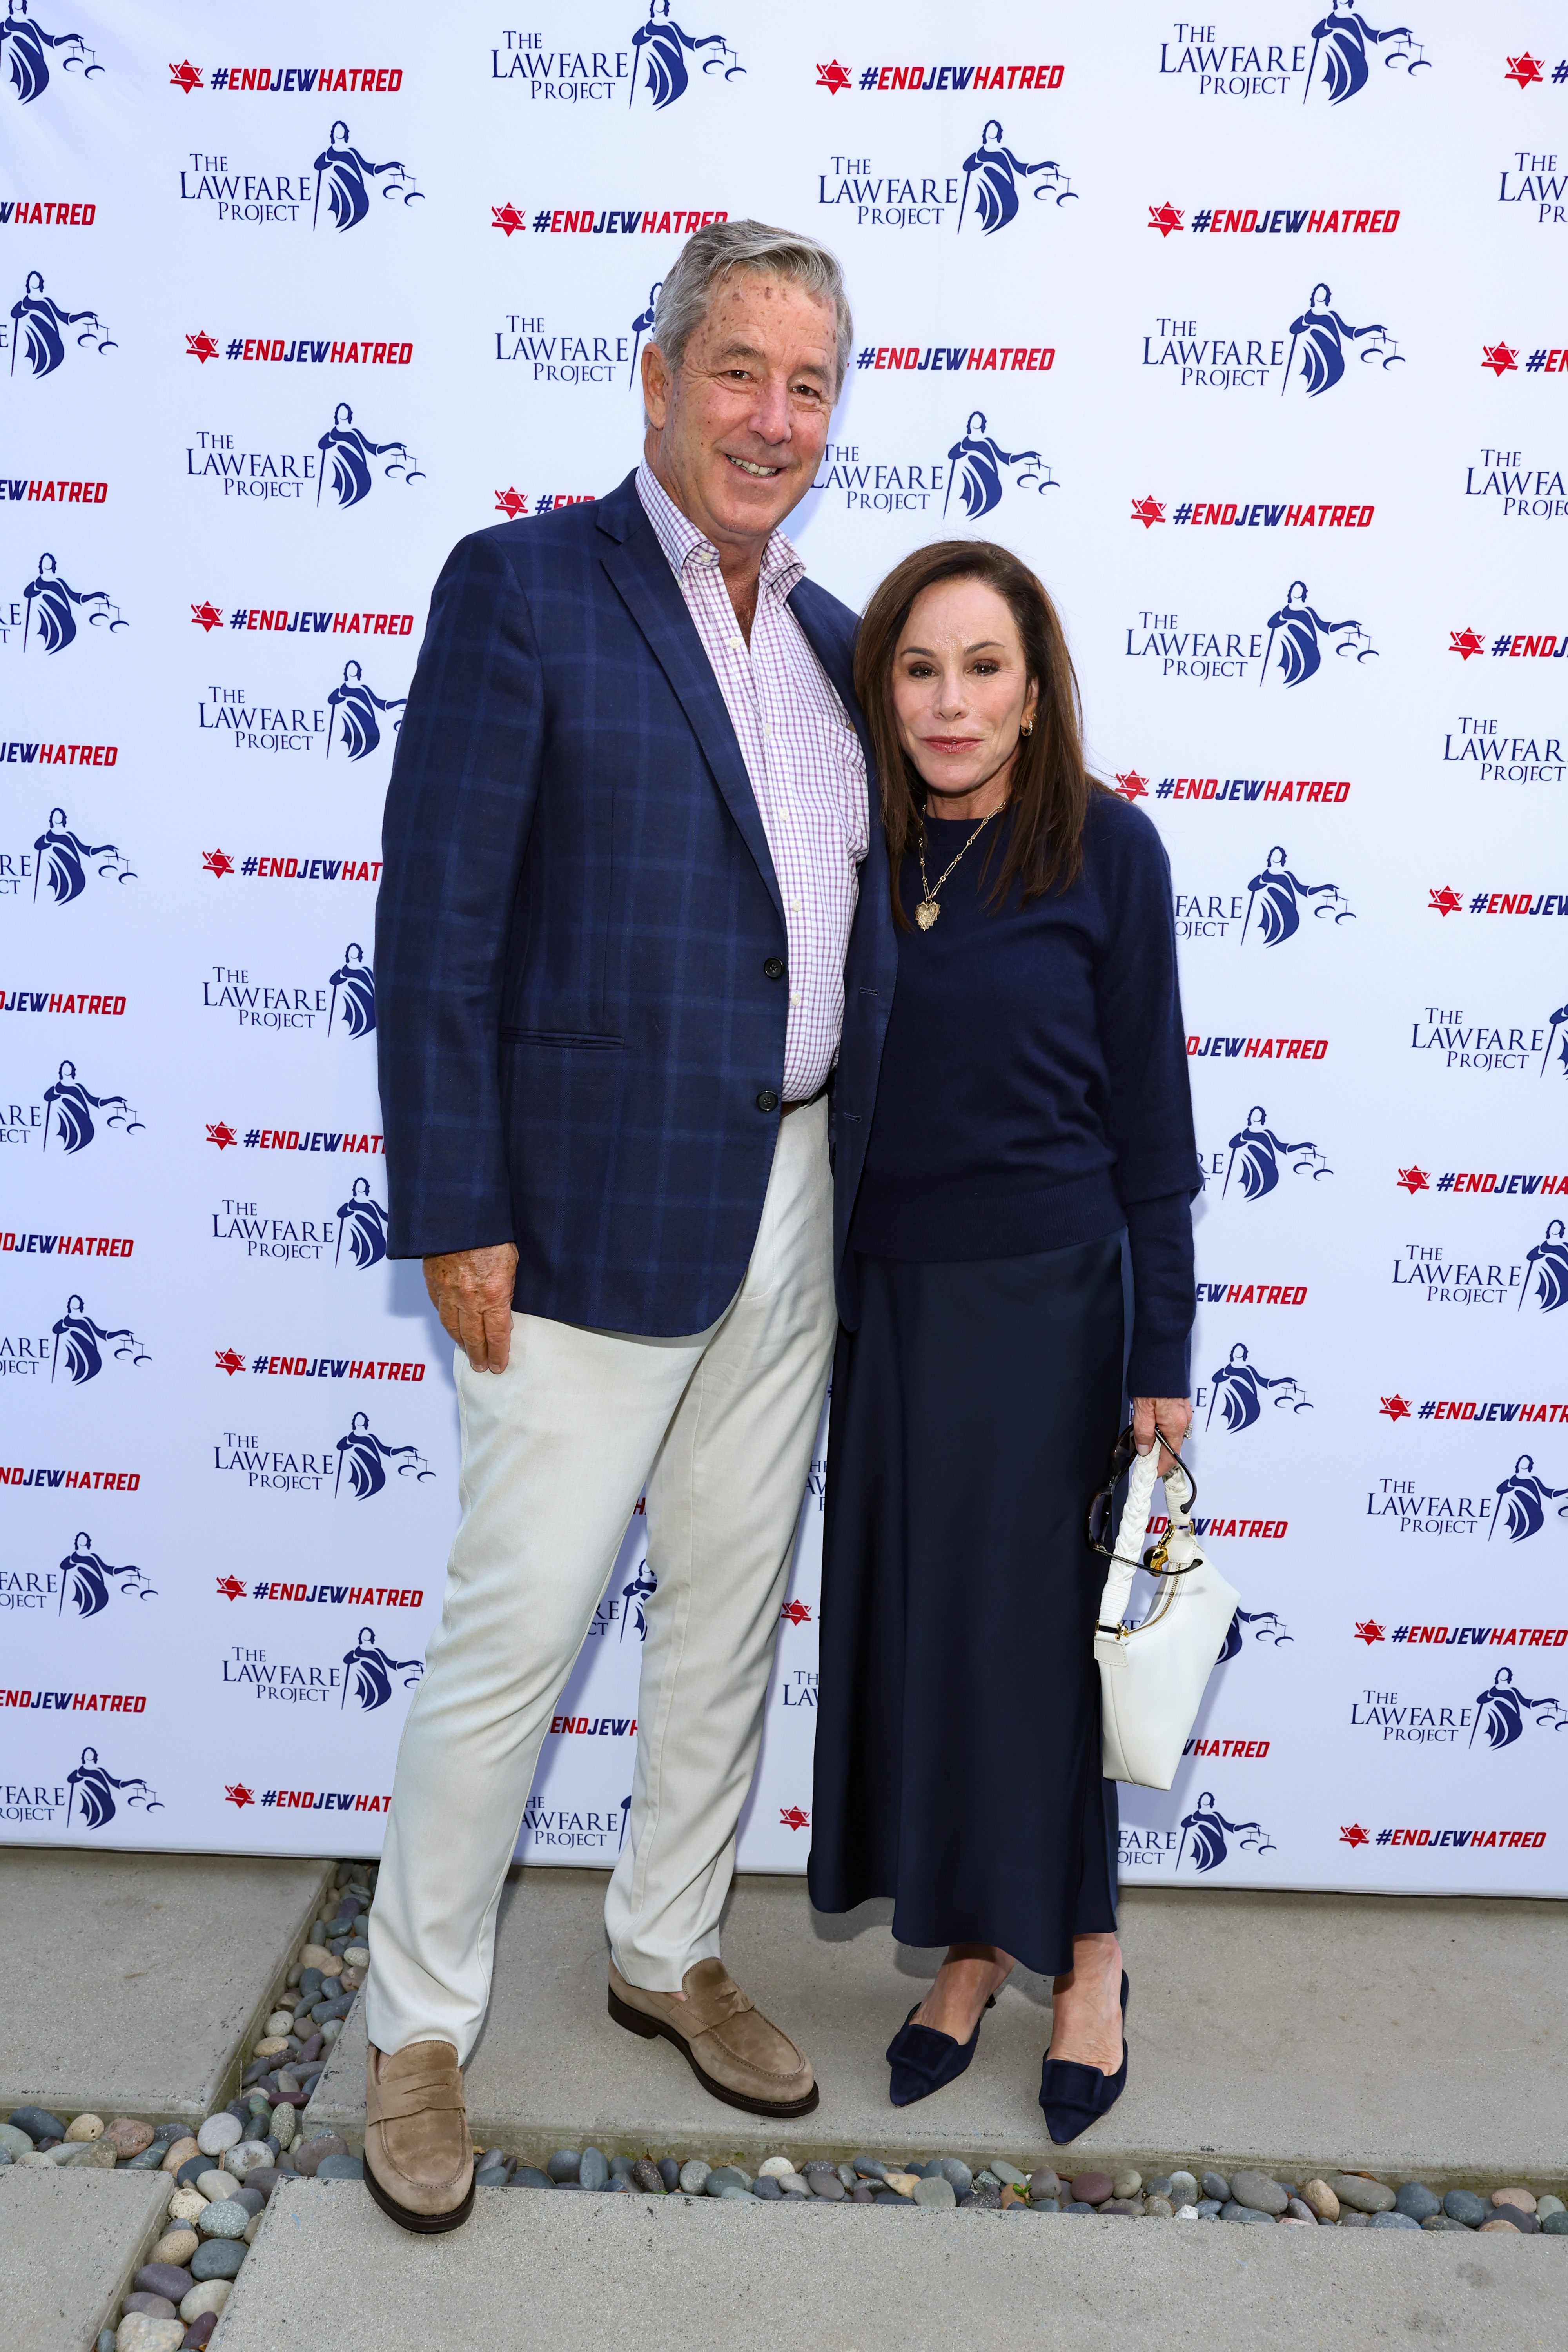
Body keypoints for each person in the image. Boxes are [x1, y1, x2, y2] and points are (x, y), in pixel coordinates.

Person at [367, 220, 891, 2233]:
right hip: (576, 1215)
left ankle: (666, 1945)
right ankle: (422, 2024)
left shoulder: (840, 637)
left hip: (798, 1193)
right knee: (514, 1636)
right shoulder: (521, 589)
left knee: (733, 1612)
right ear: (657, 375)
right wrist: (457, 1204)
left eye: (808, 382)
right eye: (738, 368)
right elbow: (436, 928)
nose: (771, 415)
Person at [808, 541, 1198, 2145]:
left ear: (1036, 692)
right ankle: (968, 1951)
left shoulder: (1110, 852)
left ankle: (1088, 1958)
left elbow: (1158, 1135)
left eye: (983, 667)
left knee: (1043, 1656)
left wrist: (1159, 1359)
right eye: (919, 668)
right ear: (880, 689)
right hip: (892, 1304)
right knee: (930, 1641)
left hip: (1051, 1310)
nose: (950, 701)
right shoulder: (856, 848)